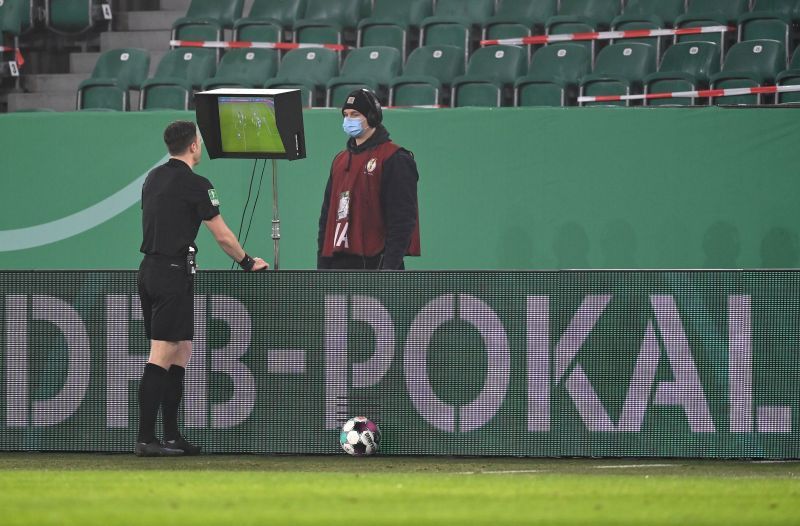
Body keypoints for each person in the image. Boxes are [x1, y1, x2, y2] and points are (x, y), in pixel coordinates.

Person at [135, 121, 268, 457]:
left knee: (182, 350)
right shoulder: (197, 184)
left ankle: (171, 436)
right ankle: (146, 439)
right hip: (171, 273)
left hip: (150, 271)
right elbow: (222, 235)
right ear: (193, 146)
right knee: (162, 352)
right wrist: (247, 261)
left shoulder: (153, 178)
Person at [317, 88, 421, 270]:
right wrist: (322, 267)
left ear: (373, 117)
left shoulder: (394, 158)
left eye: (355, 114)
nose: (348, 119)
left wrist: (389, 270)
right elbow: (326, 219)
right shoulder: (339, 161)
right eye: (346, 114)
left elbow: (402, 220)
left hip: (378, 266)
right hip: (338, 265)